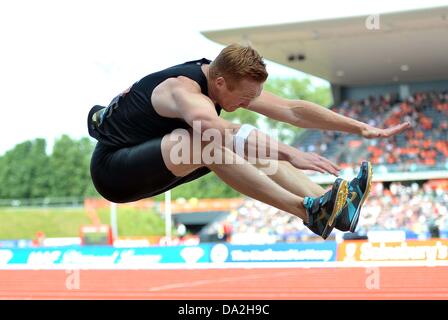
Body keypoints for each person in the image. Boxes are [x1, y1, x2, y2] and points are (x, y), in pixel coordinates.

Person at [87, 44, 410, 239]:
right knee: (211, 139)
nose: (248, 103)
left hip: (160, 156)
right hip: (114, 171)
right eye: (243, 98)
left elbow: (292, 111)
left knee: (244, 144)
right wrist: (289, 152)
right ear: (221, 81)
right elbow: (221, 131)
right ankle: (307, 211)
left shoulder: (223, 80)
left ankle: (332, 205)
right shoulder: (183, 91)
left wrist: (360, 128)